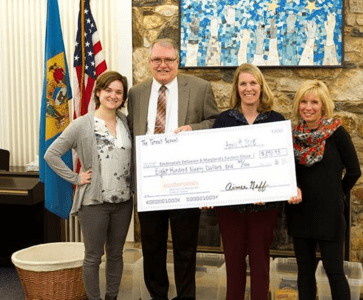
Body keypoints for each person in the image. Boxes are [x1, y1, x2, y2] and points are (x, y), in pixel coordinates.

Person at [127, 38, 219, 300]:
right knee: (152, 247)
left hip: (184, 182)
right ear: (149, 62)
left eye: (169, 60)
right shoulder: (136, 92)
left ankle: (186, 297)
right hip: (149, 183)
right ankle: (158, 295)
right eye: (157, 59)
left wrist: (194, 129)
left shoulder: (200, 88)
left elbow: (215, 121)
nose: (163, 65)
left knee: (185, 247)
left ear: (178, 62)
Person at [212, 63, 301, 300]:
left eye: (253, 83)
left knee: (261, 264)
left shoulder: (276, 121)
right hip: (230, 207)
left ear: (261, 87)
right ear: (236, 88)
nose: (248, 88)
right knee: (233, 263)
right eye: (243, 83)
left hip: (265, 207)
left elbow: (285, 163)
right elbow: (214, 163)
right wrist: (207, 192)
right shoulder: (223, 120)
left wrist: (278, 189)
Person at [44, 71, 132, 300]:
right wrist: (76, 178)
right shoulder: (82, 124)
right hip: (94, 203)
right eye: (108, 90)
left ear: (123, 97)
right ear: (99, 92)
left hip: (123, 202)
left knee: (116, 255)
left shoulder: (125, 122)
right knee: (93, 256)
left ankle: (111, 297)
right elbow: (51, 154)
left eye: (118, 92)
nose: (113, 95)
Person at [286, 79, 361, 300]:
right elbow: (285, 172)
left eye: (314, 102)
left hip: (329, 215)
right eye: (303, 101)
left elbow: (354, 171)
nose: (308, 107)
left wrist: (337, 193)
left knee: (335, 272)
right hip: (299, 213)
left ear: (323, 105)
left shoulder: (336, 133)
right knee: (304, 273)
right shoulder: (291, 136)